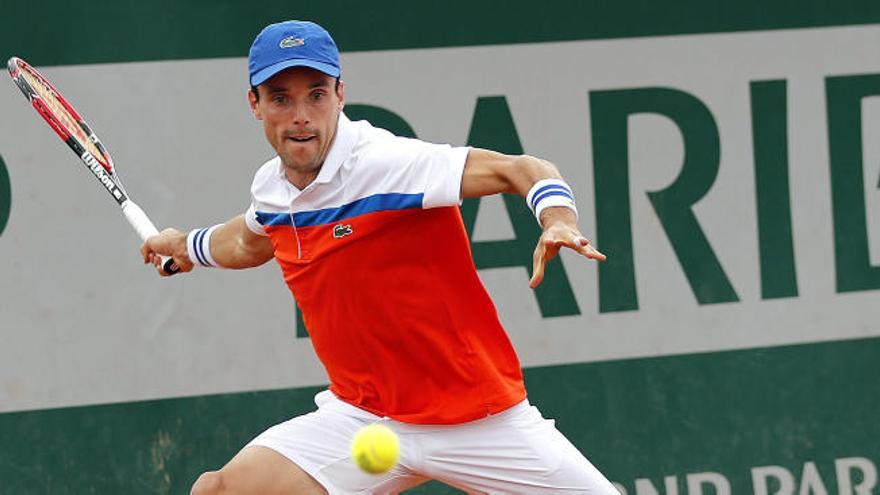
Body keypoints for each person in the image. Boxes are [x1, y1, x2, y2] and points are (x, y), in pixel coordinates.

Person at [142, 19, 617, 495]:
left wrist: (557, 219)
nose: (301, 115)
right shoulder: (272, 191)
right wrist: (185, 248)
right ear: (256, 105)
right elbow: (249, 241)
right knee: (220, 491)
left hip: (478, 418)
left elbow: (521, 169)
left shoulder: (389, 164)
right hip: (364, 418)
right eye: (281, 98)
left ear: (340, 95)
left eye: (316, 94)